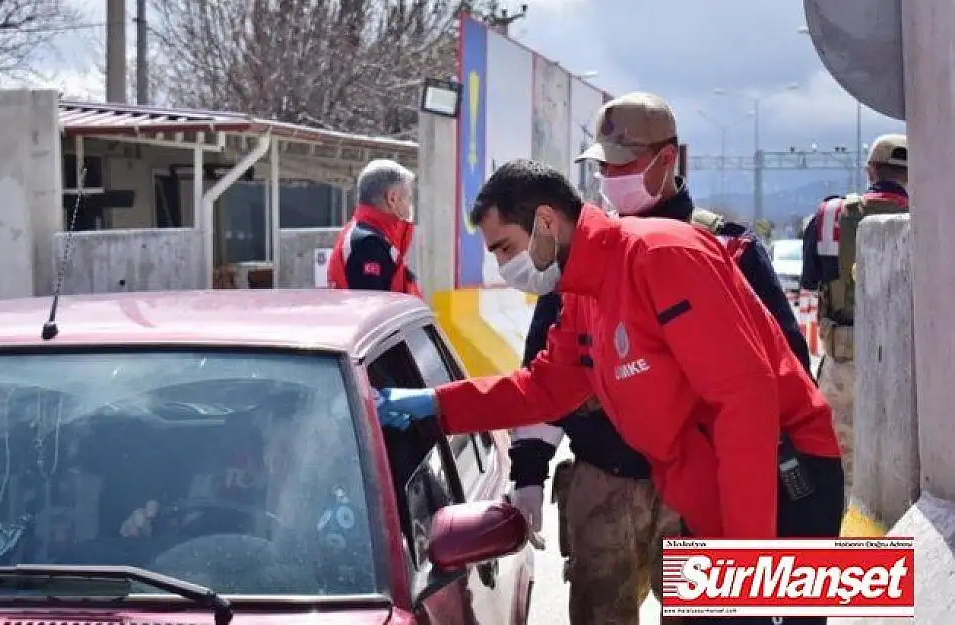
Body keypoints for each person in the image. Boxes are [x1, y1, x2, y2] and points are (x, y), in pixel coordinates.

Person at [374, 160, 845, 604]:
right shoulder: (584, 293)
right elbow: (544, 388)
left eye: (505, 248)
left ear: (546, 221)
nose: (503, 267)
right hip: (716, 498)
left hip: (781, 487)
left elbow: (745, 400)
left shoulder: (660, 257)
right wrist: (438, 403)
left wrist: (748, 562)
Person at [500, 92, 817, 625]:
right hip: (603, 487)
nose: (609, 178)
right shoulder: (582, 255)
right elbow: (548, 374)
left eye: (622, 164)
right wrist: (528, 470)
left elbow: (787, 370)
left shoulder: (727, 250)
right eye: (601, 165)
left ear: (667, 160)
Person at [801, 133, 909, 497]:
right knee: (904, 474)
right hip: (910, 366)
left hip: (844, 359)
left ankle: (848, 546)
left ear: (870, 171)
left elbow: (811, 280)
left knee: (841, 472)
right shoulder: (933, 216)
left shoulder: (830, 214)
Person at [326, 159, 421, 296]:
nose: (410, 205)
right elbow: (375, 309)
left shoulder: (369, 237)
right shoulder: (368, 244)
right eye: (408, 197)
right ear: (392, 198)